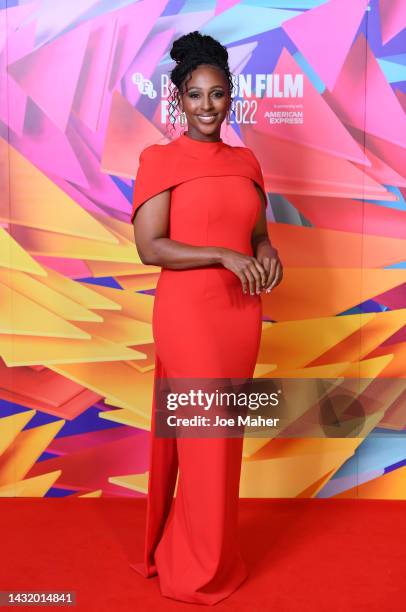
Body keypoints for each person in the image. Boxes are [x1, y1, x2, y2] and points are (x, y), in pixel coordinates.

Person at [130, 31, 283, 606]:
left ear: (230, 97)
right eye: (195, 96)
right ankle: (190, 567)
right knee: (202, 437)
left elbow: (259, 235)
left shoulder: (247, 161)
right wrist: (222, 253)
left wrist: (266, 254)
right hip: (189, 315)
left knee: (223, 439)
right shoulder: (159, 160)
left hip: (240, 313)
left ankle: (216, 555)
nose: (207, 107)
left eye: (217, 95)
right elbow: (151, 248)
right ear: (179, 101)